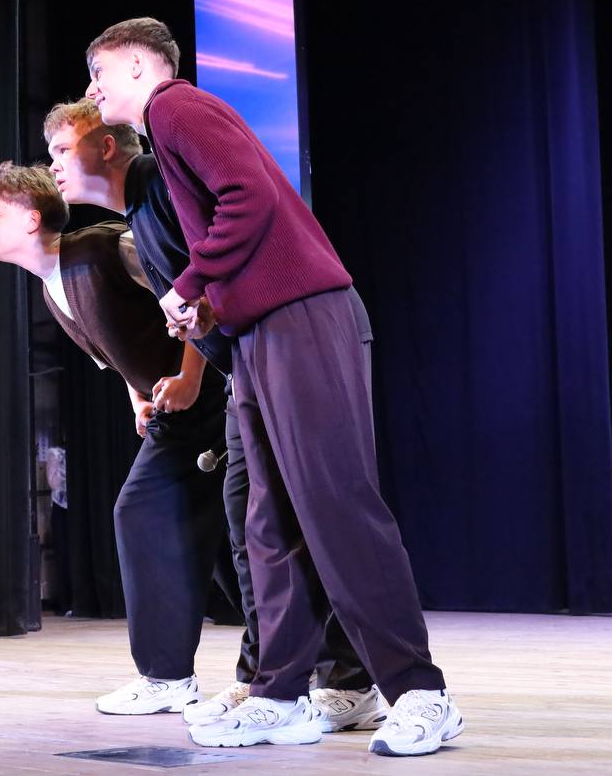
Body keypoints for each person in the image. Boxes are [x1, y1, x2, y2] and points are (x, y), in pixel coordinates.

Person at [84, 18, 462, 756]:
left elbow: (247, 196)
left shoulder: (175, 106)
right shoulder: (168, 126)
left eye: (99, 73)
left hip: (303, 316)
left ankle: (421, 692)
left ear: (136, 67)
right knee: (271, 521)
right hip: (260, 332)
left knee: (336, 503)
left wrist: (190, 281)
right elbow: (239, 224)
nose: (93, 90)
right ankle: (280, 694)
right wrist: (208, 301)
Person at [42, 99, 387, 732]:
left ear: (107, 147)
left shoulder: (161, 185)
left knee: (314, 513)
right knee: (254, 524)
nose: (54, 165)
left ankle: (358, 680)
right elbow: (195, 306)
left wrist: (192, 371)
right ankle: (270, 679)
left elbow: (221, 260)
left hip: (288, 342)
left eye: (62, 149)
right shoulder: (136, 212)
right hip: (246, 367)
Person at [0, 162, 228, 715]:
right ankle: (189, 674)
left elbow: (194, 291)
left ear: (32, 218)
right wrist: (138, 396)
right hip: (176, 414)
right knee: (214, 543)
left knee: (153, 515)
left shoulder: (104, 248)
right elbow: (118, 355)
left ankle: (179, 676)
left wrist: (190, 375)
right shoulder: (52, 291)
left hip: (215, 396)